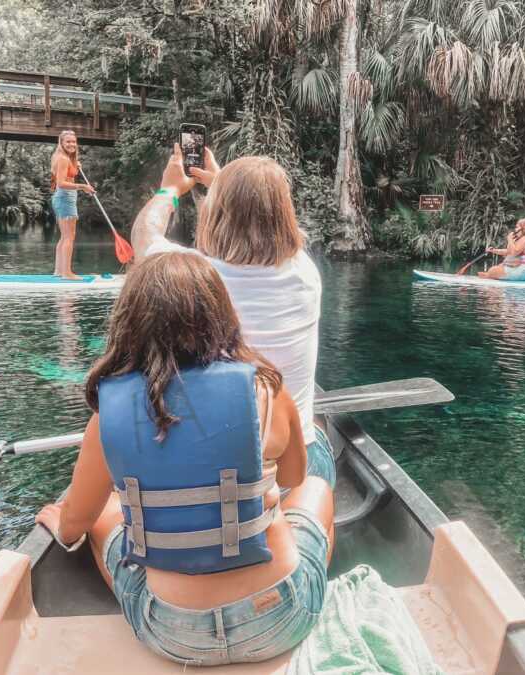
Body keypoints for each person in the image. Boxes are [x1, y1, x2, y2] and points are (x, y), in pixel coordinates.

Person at [35, 252, 335, 665]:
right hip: (279, 616)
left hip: (173, 632)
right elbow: (296, 476)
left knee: (104, 513)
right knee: (317, 490)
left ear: (129, 325)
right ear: (221, 314)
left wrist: (64, 524)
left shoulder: (109, 416)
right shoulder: (267, 391)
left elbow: (73, 528)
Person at [129, 144, 331, 488]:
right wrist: (224, 181)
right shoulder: (306, 274)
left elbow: (144, 234)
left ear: (216, 213)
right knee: (318, 436)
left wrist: (170, 189)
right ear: (286, 214)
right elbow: (257, 210)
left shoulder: (191, 277)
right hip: (295, 461)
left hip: (214, 465)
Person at [50, 130, 95, 279]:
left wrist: (75, 164)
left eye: (73, 141)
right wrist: (83, 187)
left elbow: (68, 175)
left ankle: (59, 271)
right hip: (65, 197)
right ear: (61, 143)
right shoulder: (63, 159)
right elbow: (61, 183)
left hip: (63, 198)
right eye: (68, 141)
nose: (71, 144)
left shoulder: (63, 158)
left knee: (64, 237)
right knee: (69, 237)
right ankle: (67, 273)